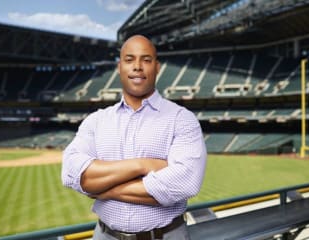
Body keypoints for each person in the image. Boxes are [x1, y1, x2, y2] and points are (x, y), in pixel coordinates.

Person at [62, 35, 207, 240]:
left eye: (146, 60)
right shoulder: (96, 120)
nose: (137, 66)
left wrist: (103, 189)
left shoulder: (182, 119)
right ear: (119, 67)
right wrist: (142, 165)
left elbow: (183, 184)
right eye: (129, 60)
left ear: (157, 67)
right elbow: (71, 173)